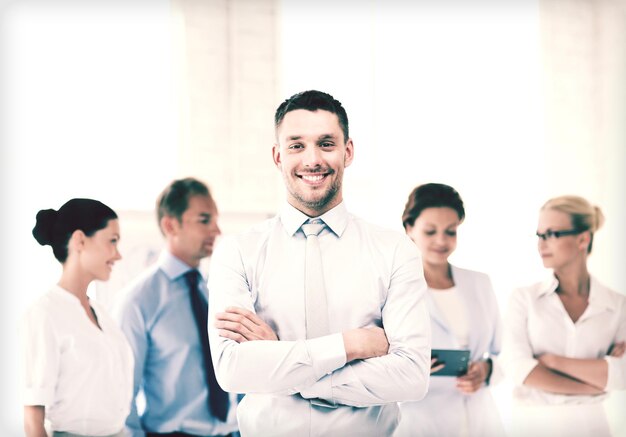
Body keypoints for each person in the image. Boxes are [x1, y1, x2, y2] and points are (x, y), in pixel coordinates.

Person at [207, 90, 431, 436]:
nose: (312, 160)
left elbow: (411, 377)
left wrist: (283, 363)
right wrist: (350, 345)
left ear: (348, 151)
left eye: (326, 143)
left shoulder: (395, 250)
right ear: (277, 156)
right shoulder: (237, 251)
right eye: (296, 145)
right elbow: (232, 370)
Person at [115, 178, 238, 437]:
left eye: (215, 220)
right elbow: (122, 395)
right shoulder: (138, 300)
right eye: (204, 220)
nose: (217, 231)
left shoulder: (214, 291)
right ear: (171, 225)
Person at [500, 195, 626, 436]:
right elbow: (517, 368)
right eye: (539, 235)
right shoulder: (524, 299)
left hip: (593, 427)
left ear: (583, 239)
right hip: (535, 426)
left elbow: (622, 375)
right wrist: (593, 383)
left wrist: (552, 361)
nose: (541, 244)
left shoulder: (618, 306)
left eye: (552, 234)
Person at [394, 183, 504, 437]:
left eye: (450, 231)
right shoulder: (394, 289)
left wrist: (487, 370)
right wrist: (411, 366)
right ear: (410, 229)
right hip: (420, 420)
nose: (441, 241)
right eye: (430, 231)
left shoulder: (480, 283)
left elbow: (505, 352)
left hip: (479, 420)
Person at [21, 198, 134, 437]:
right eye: (112, 241)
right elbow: (33, 419)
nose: (118, 255)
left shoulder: (101, 313)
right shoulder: (45, 313)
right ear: (80, 240)